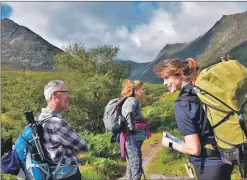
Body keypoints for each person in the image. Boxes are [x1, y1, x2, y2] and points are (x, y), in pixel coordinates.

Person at [154, 58, 234, 180]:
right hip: (226, 157)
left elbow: (194, 149)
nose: (164, 83)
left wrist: (170, 143)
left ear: (180, 74)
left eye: (167, 78)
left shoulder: (182, 104)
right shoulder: (202, 91)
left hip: (208, 165)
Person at [38, 80, 89, 180]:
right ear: (54, 95)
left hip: (50, 173)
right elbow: (84, 146)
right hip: (66, 175)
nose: (69, 97)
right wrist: (72, 149)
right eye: (65, 92)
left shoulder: (39, 119)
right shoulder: (57, 123)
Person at [121, 80, 151, 180]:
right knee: (136, 164)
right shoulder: (132, 100)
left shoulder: (133, 101)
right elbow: (129, 112)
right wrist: (132, 128)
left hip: (132, 138)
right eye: (142, 89)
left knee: (132, 164)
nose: (144, 91)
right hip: (132, 138)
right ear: (137, 91)